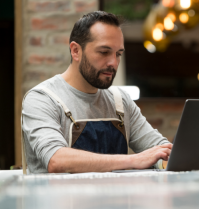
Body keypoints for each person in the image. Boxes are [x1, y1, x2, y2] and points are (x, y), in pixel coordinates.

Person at [21, 11, 172, 174]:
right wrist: (134, 160)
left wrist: (170, 156)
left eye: (118, 54)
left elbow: (159, 151)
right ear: (75, 51)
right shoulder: (42, 99)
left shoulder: (120, 101)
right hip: (60, 199)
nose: (113, 63)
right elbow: (56, 160)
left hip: (114, 199)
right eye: (104, 52)